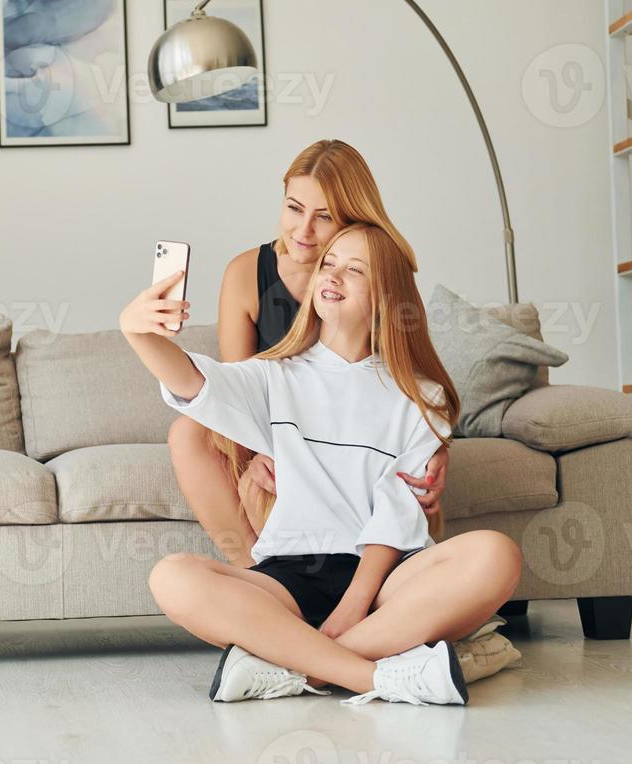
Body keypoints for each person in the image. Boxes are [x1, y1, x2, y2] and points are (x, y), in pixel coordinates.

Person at [119, 224, 522, 705]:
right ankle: (375, 678)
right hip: (291, 575)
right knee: (173, 576)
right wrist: (137, 332)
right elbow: (192, 383)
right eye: (329, 263)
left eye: (355, 270)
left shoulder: (422, 397)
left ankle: (296, 667)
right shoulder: (272, 376)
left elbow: (398, 512)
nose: (333, 274)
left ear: (386, 301)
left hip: (386, 583)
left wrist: (355, 603)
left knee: (496, 555)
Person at [167, 139, 450, 567]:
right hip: (276, 437)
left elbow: (413, 385)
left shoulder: (377, 273)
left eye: (324, 217)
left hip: (359, 446)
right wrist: (260, 454)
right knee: (189, 432)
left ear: (354, 219)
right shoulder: (247, 273)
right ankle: (258, 580)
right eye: (294, 208)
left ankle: (371, 587)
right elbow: (233, 391)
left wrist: (440, 451)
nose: (303, 231)